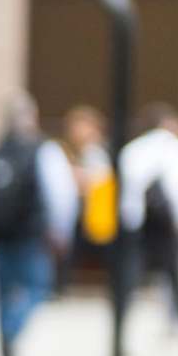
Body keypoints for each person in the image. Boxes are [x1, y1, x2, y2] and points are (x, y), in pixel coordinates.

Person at [0, 92, 77, 356]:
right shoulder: (42, 149)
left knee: (3, 290)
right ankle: (11, 328)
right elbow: (60, 194)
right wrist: (61, 230)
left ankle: (5, 340)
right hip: (30, 233)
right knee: (38, 286)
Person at [118, 103, 178, 356]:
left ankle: (121, 335)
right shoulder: (177, 151)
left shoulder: (133, 150)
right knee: (177, 281)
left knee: (129, 283)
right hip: (167, 228)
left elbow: (127, 193)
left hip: (138, 226)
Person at [60, 106, 118, 295]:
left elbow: (99, 179)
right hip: (83, 211)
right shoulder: (77, 152)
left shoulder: (96, 151)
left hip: (98, 212)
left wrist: (77, 176)